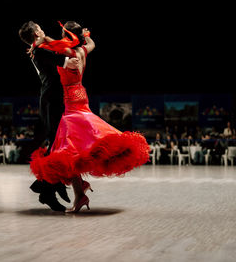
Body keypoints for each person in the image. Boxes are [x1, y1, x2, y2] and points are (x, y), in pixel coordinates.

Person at [29, 21, 149, 213]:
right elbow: (92, 44)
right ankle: (78, 190)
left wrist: (38, 43)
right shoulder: (83, 51)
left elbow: (50, 47)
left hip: (68, 99)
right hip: (82, 95)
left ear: (67, 35)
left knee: (69, 149)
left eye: (63, 33)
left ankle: (77, 193)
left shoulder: (65, 52)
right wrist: (86, 36)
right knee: (82, 141)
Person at [19, 21, 76, 211]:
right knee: (57, 145)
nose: (43, 30)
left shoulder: (37, 50)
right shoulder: (40, 51)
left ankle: (50, 185)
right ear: (36, 33)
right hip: (52, 100)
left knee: (58, 144)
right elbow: (66, 62)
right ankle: (46, 189)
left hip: (50, 99)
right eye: (40, 28)